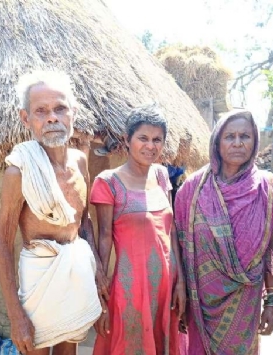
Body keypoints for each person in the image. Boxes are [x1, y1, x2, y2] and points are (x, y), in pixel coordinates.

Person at [0, 71, 108, 355]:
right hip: (39, 278)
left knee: (69, 351)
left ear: (73, 113)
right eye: (41, 111)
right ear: (26, 118)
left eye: (60, 108)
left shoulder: (81, 162)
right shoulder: (18, 172)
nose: (52, 118)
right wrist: (15, 316)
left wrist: (97, 269)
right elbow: (2, 244)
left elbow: (84, 223)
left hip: (77, 271)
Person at [175, 110, 273, 355]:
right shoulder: (192, 189)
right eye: (229, 136)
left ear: (255, 142)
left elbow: (269, 245)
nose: (237, 143)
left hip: (246, 303)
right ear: (217, 142)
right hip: (200, 305)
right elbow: (179, 246)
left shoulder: (268, 187)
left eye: (245, 136)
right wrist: (180, 290)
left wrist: (272, 300)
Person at [90, 104, 186, 355]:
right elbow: (104, 238)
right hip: (129, 287)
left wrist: (180, 283)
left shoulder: (162, 175)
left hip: (166, 284)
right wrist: (100, 298)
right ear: (127, 139)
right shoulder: (108, 182)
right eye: (143, 138)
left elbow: (171, 231)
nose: (150, 146)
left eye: (157, 140)